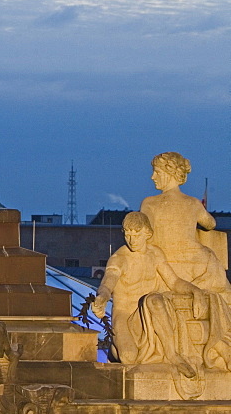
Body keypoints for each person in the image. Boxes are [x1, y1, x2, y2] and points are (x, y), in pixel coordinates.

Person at [92, 211, 205, 367]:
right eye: (127, 235)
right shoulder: (119, 258)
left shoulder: (155, 254)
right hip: (123, 315)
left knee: (155, 300)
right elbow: (107, 283)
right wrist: (102, 298)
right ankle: (115, 348)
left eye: (136, 235)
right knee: (129, 357)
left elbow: (174, 282)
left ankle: (172, 354)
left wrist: (195, 291)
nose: (131, 240)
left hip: (147, 313)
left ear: (147, 233)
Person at [139, 151, 217, 283]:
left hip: (164, 266)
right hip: (195, 264)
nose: (153, 177)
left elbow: (145, 234)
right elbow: (211, 224)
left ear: (170, 174)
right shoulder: (193, 203)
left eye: (157, 172)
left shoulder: (150, 203)